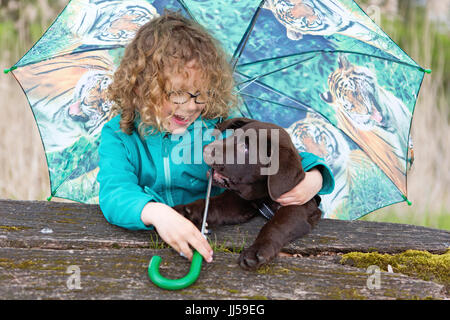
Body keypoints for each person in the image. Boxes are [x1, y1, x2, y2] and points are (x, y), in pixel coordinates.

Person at [97, 11, 334, 264]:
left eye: (200, 94)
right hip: (148, 241)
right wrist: (155, 212)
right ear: (140, 87)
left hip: (220, 239)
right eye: (178, 94)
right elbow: (115, 192)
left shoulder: (217, 124)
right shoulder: (120, 135)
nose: (190, 107)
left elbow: (281, 151)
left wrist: (314, 177)